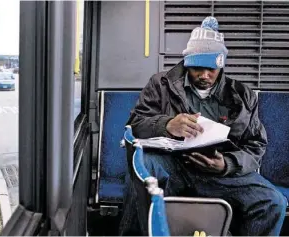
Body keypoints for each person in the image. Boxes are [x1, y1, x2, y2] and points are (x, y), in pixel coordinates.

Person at [119, 16, 287, 236]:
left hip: (220, 173)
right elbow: (134, 126)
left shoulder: (243, 96)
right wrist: (167, 124)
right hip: (172, 166)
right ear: (188, 63)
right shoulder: (161, 85)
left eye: (212, 69)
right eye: (198, 67)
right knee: (142, 168)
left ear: (221, 65)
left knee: (273, 202)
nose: (205, 75)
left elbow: (255, 145)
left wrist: (226, 164)